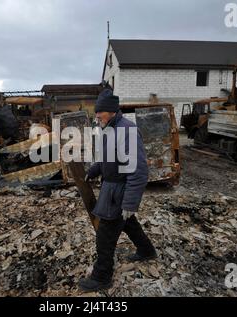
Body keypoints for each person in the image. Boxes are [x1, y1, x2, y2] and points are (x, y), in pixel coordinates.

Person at [78, 89, 157, 292]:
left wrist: (130, 203)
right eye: (96, 112)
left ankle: (102, 276)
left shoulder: (127, 131)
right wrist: (95, 170)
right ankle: (147, 250)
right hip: (111, 187)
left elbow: (138, 171)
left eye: (100, 112)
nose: (96, 116)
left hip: (119, 192)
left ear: (112, 111)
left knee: (105, 235)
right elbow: (106, 158)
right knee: (128, 222)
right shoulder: (109, 128)